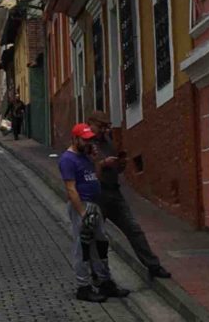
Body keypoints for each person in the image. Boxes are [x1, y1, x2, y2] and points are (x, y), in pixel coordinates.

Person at [86, 111, 172, 279]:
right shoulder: (87, 143)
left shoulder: (108, 141)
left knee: (134, 229)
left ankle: (153, 266)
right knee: (96, 235)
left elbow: (116, 169)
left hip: (114, 192)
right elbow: (88, 169)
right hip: (97, 194)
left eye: (106, 126)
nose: (104, 130)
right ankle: (97, 273)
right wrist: (103, 163)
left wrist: (120, 164)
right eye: (101, 126)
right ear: (91, 124)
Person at [60, 123, 129, 302]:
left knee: (101, 244)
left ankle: (104, 280)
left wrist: (94, 161)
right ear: (75, 139)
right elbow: (71, 189)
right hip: (82, 205)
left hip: (94, 204)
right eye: (85, 139)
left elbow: (94, 176)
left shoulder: (85, 156)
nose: (88, 142)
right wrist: (82, 212)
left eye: (90, 139)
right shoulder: (67, 159)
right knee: (82, 246)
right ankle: (83, 286)